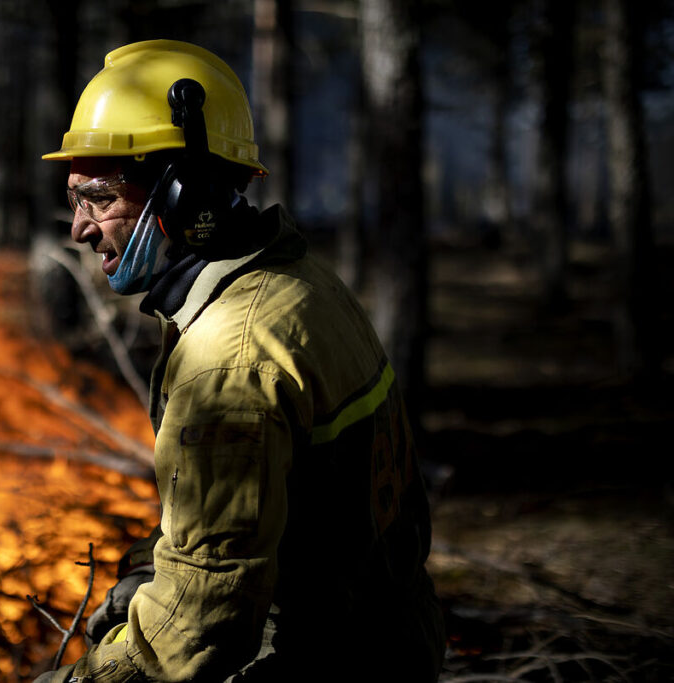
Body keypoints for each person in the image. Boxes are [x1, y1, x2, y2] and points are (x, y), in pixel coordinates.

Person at [37, 39, 445, 682]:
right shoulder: (300, 279)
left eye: (100, 197)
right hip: (385, 641)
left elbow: (196, 632)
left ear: (185, 192)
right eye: (74, 200)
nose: (80, 231)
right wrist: (152, 567)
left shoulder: (231, 357)